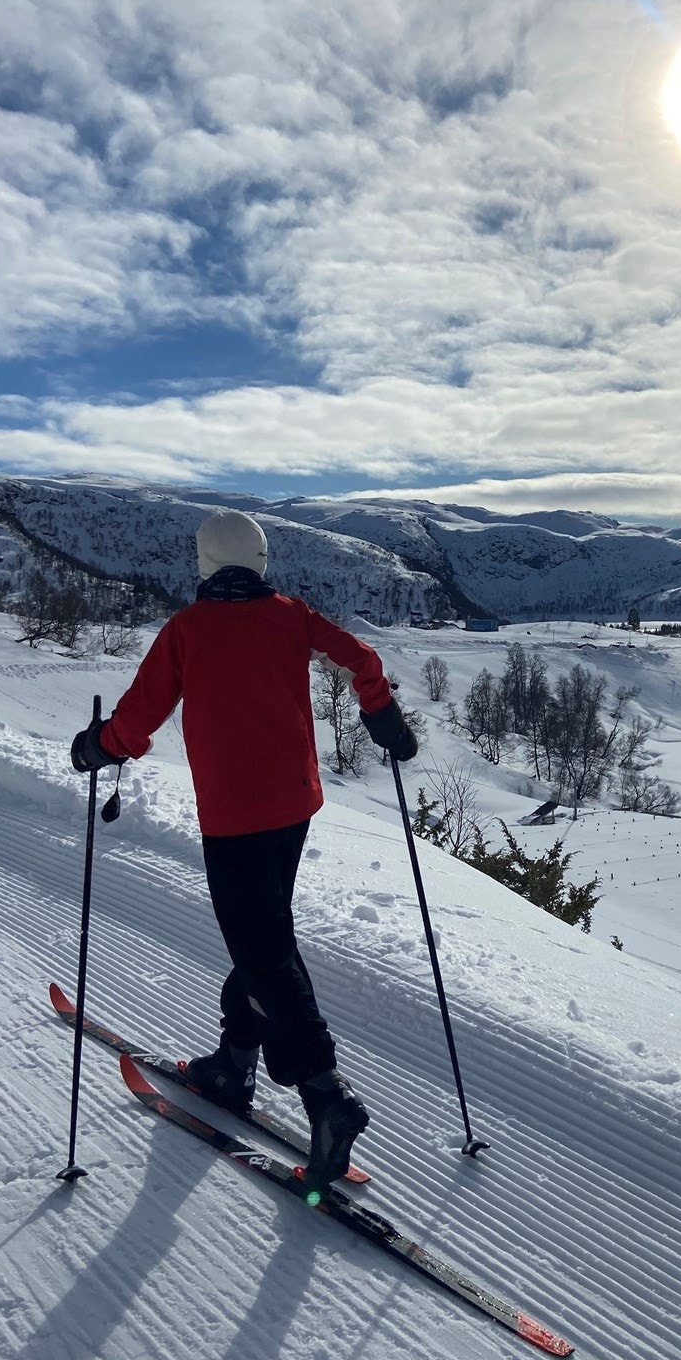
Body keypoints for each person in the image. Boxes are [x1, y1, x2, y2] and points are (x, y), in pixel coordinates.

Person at [70, 509, 417, 1194]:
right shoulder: (291, 614)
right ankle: (233, 1062)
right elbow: (365, 659)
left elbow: (138, 719)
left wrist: (95, 748)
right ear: (259, 561)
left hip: (233, 817)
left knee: (263, 947)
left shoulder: (187, 631)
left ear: (204, 564)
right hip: (295, 808)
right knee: (261, 933)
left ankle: (326, 1097)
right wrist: (381, 715)